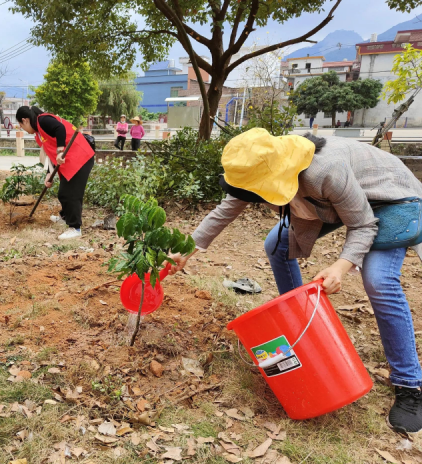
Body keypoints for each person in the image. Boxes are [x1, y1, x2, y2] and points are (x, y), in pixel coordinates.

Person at [170, 128, 422, 434]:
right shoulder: (259, 162)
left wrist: (341, 267)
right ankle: (302, 326)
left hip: (390, 198)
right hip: (333, 203)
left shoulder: (323, 171)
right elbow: (225, 211)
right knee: (275, 245)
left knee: (379, 280)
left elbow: (363, 223)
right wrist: (186, 250)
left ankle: (409, 385)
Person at [16, 106, 95, 240]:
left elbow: (60, 129)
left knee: (70, 193)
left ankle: (75, 228)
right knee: (64, 192)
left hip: (80, 157)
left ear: (25, 120)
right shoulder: (39, 133)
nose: (22, 128)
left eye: (20, 125)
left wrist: (60, 151)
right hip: (68, 160)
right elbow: (50, 153)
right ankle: (65, 217)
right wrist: (49, 173)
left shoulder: (43, 120)